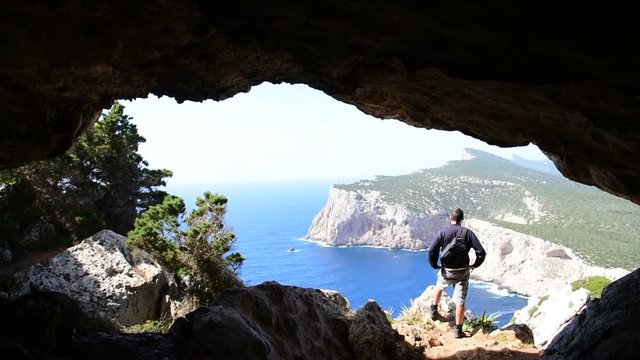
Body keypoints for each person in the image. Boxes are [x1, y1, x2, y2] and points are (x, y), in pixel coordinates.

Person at [428, 208, 486, 338]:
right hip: (462, 271)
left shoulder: (443, 232)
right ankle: (458, 330)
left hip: (447, 270)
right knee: (460, 300)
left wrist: (434, 265)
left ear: (451, 218)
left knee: (439, 286)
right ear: (462, 219)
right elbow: (481, 252)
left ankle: (433, 311)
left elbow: (432, 250)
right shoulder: (468, 233)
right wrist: (475, 264)